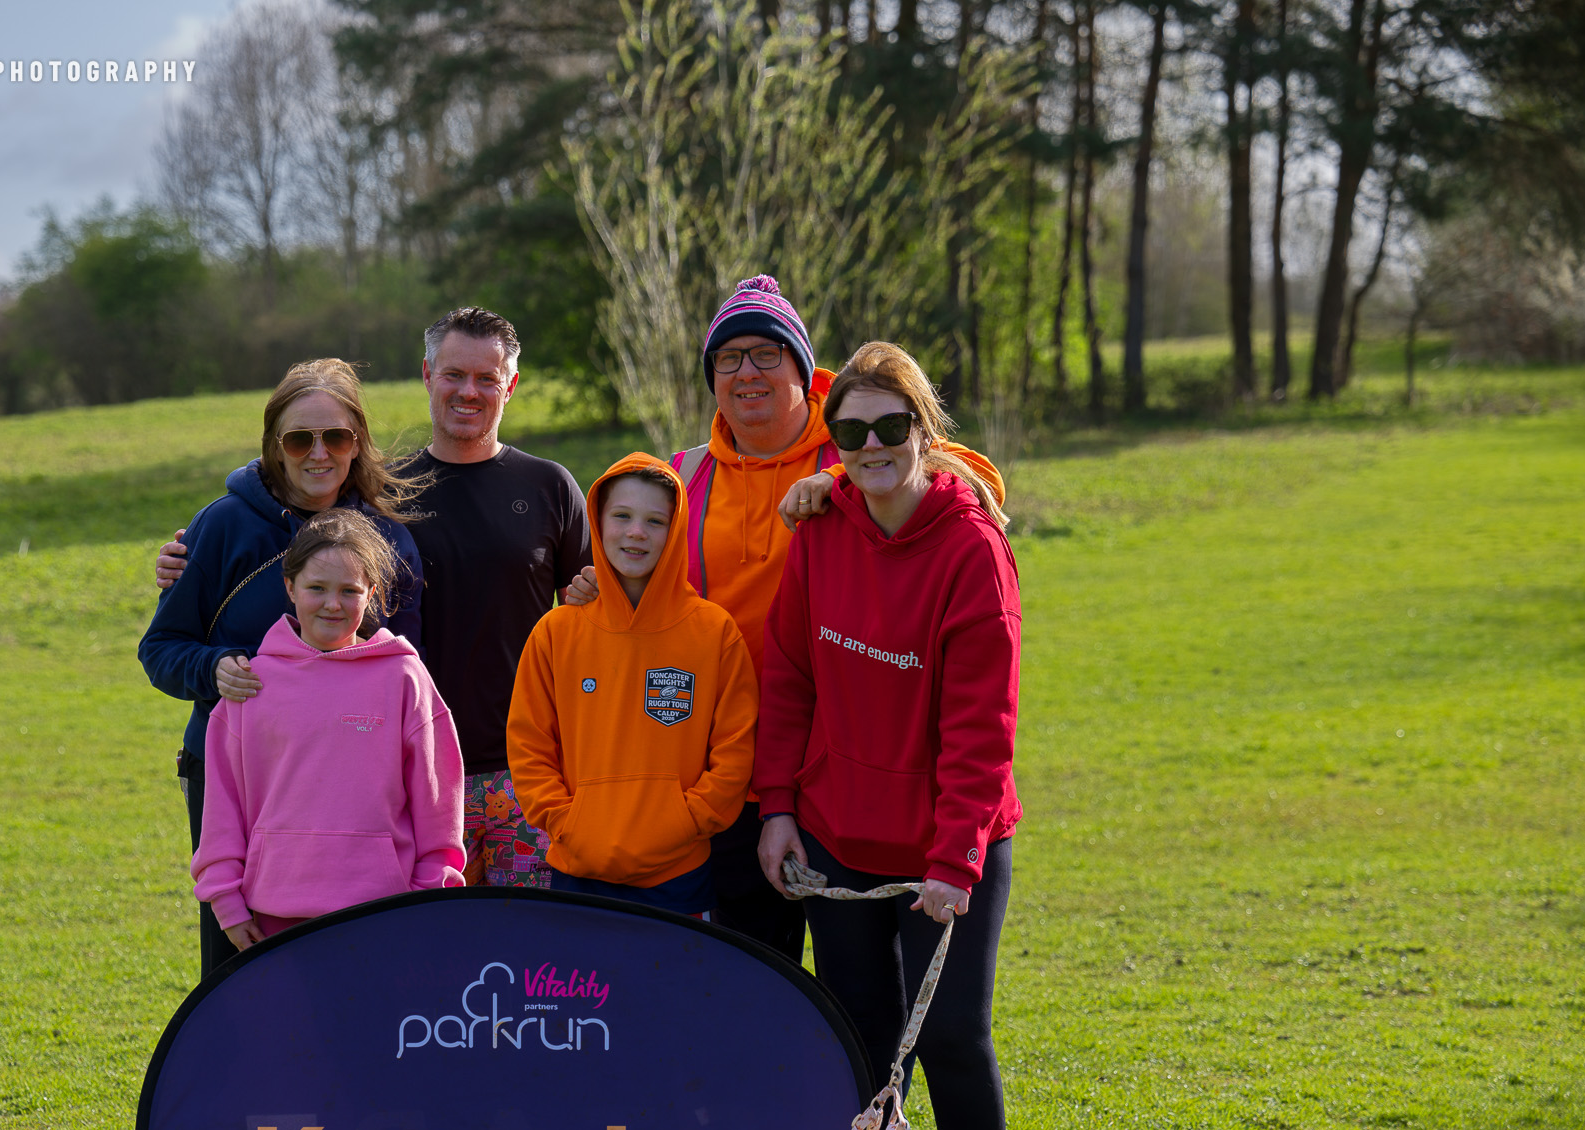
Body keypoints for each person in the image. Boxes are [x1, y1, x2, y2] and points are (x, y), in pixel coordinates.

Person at [563, 276, 1005, 964]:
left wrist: (836, 479)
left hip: (851, 778)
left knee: (863, 998)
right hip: (729, 776)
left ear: (804, 369)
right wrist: (602, 587)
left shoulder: (856, 444)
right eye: (728, 358)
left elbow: (970, 478)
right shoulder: (684, 476)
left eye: (767, 354)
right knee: (746, 979)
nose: (747, 372)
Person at [753, 341, 1023, 1130]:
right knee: (864, 1041)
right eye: (851, 431)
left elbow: (981, 726)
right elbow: (786, 678)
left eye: (891, 427)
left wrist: (954, 859)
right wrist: (779, 808)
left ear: (923, 428)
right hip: (835, 830)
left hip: (950, 844)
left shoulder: (970, 551)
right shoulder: (822, 527)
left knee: (951, 1033)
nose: (872, 447)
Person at [156, 308, 590, 891]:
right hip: (321, 771)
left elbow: (591, 613)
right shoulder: (355, 505)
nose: (469, 391)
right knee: (285, 946)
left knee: (512, 950)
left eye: (487, 378)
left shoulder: (521, 492)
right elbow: (167, 643)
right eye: (454, 374)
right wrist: (202, 626)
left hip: (498, 769)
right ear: (426, 374)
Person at [140, 358, 425, 979]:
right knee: (238, 962)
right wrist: (215, 668)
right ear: (274, 446)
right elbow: (161, 650)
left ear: (359, 444)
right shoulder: (221, 526)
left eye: (337, 437)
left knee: (356, 971)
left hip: (353, 791)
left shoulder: (390, 540)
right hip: (235, 777)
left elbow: (411, 677)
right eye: (299, 438)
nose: (318, 453)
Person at [194, 513, 464, 947]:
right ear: (290, 587)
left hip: (384, 914)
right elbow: (223, 805)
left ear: (371, 594)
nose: (332, 604)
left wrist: (427, 896)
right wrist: (226, 900)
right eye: (316, 588)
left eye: (349, 591)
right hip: (270, 917)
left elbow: (438, 804)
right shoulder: (252, 682)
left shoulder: (404, 678)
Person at [505, 454, 756, 917]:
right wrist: (565, 821)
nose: (636, 532)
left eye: (655, 521)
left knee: (672, 992)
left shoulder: (713, 632)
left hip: (677, 876)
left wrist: (688, 821)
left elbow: (735, 750)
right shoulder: (557, 632)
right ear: (598, 524)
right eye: (621, 516)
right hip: (577, 871)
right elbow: (529, 746)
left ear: (676, 530)